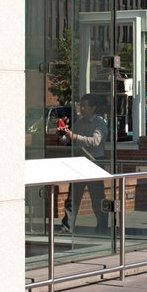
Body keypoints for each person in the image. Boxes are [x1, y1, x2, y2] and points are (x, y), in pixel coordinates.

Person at [61, 94, 110, 233]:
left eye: (85, 105)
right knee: (72, 198)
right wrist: (65, 136)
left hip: (95, 162)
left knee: (97, 198)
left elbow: (95, 141)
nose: (81, 108)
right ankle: (67, 226)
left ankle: (102, 226)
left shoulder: (99, 123)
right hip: (79, 163)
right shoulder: (78, 123)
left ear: (93, 108)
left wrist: (75, 137)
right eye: (80, 105)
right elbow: (71, 140)